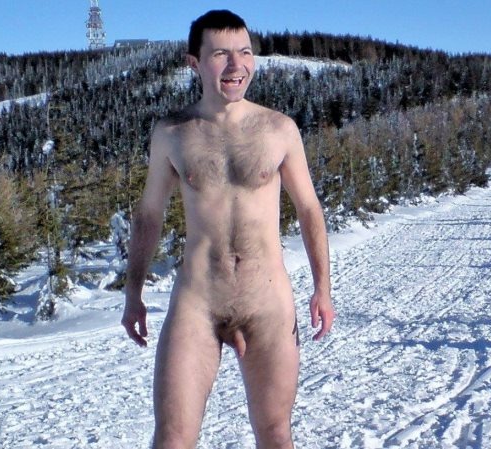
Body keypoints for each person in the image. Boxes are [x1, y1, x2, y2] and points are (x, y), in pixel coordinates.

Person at [121, 9, 334, 449]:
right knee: (172, 437)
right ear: (194, 63)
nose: (237, 65)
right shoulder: (173, 133)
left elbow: (309, 209)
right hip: (197, 302)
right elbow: (149, 216)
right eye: (221, 54)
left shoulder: (278, 129)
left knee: (276, 435)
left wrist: (322, 288)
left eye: (245, 52)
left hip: (267, 303)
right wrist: (133, 294)